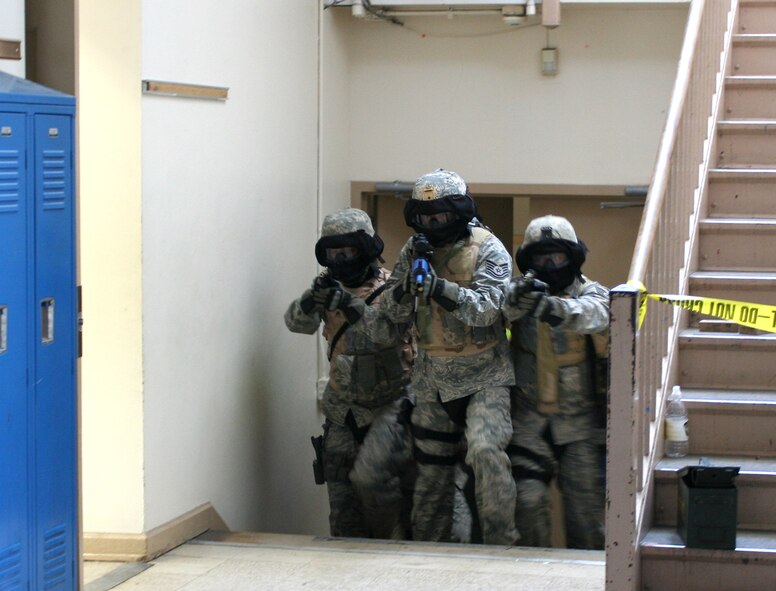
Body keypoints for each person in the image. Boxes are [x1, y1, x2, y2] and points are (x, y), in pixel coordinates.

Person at [381, 169, 518, 545]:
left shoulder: (488, 247)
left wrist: (440, 289)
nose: (431, 224)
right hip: (432, 382)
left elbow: (489, 309)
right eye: (424, 218)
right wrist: (404, 291)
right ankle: (429, 556)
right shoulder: (413, 250)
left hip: (485, 377)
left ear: (458, 212)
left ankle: (501, 549)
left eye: (439, 217)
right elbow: (388, 319)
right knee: (430, 475)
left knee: (487, 454)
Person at [284, 207, 416, 540]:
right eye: (333, 252)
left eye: (348, 251)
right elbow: (296, 324)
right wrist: (313, 298)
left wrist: (347, 303)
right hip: (342, 409)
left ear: (367, 248)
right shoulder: (328, 291)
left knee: (372, 481)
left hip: (391, 406)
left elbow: (383, 334)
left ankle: (391, 545)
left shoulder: (394, 289)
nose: (341, 260)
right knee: (342, 502)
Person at [503, 214, 609, 550]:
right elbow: (496, 311)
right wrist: (517, 298)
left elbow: (596, 313)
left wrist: (551, 308)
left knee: (587, 518)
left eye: (557, 256)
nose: (549, 264)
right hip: (528, 425)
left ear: (572, 257)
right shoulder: (519, 295)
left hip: (581, 426)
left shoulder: (592, 292)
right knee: (527, 506)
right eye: (540, 257)